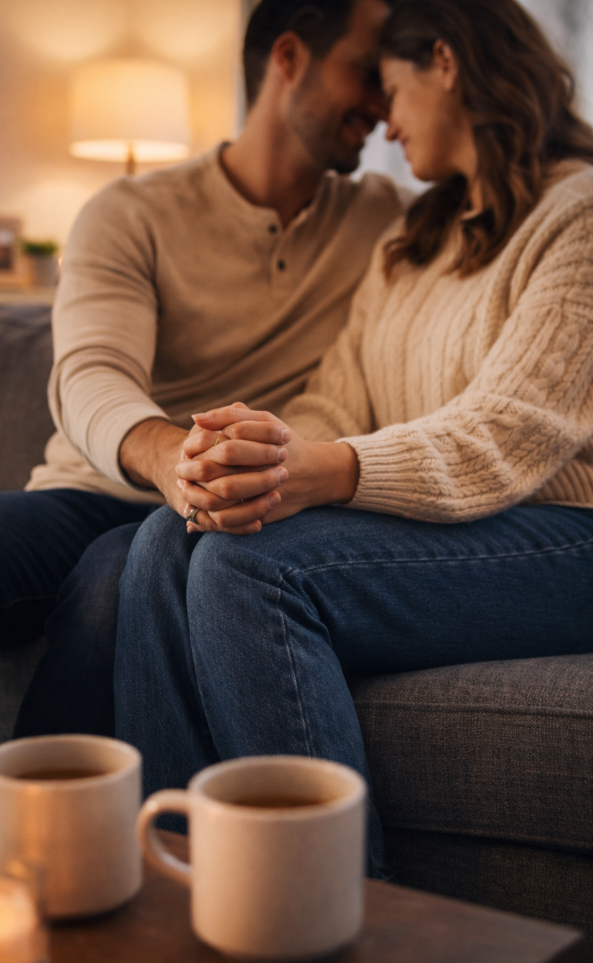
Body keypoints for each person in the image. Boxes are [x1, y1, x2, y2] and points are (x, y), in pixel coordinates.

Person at [113, 0, 593, 878]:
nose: (382, 117)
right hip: (457, 527)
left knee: (253, 566)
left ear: (444, 62)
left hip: (567, 536)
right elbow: (337, 399)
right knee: (168, 537)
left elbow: (509, 433)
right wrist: (254, 459)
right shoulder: (410, 241)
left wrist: (325, 472)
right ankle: (176, 901)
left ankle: (337, 932)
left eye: (392, 87)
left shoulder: (579, 214)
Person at [0, 0, 406, 780]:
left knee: (121, 582)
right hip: (101, 486)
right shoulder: (129, 211)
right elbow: (89, 373)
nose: (384, 103)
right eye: (366, 70)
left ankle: (39, 846)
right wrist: (169, 455)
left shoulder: (390, 222)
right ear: (288, 59)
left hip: (230, 518)